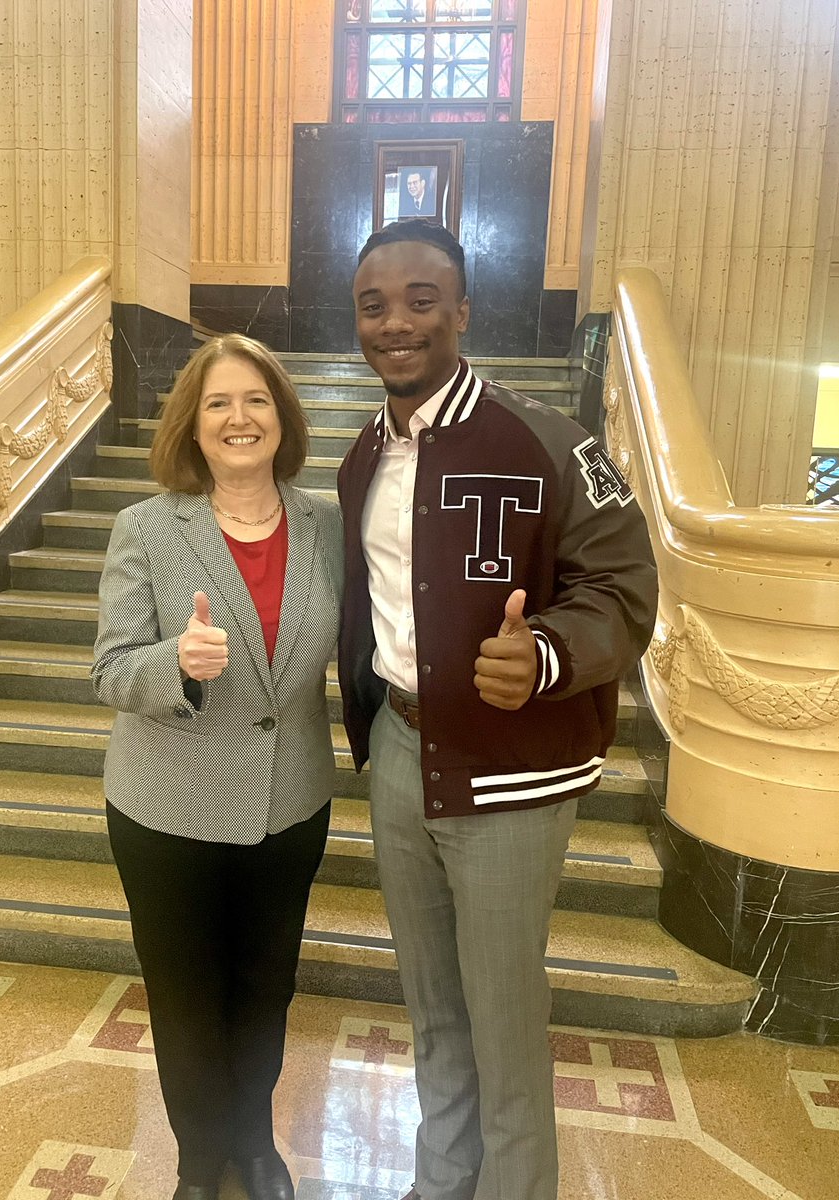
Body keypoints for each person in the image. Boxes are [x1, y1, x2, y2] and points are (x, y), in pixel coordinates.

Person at [337, 222, 657, 1200]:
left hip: (511, 773)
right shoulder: (361, 457)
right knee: (432, 1011)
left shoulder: (547, 439)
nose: (395, 324)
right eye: (373, 304)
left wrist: (549, 654)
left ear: (462, 312)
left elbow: (624, 590)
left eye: (420, 300)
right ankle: (441, 1184)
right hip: (398, 751)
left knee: (503, 1020)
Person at [92, 334, 343, 1200]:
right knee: (187, 1000)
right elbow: (109, 670)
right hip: (168, 813)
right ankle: (201, 1160)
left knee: (266, 988)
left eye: (257, 400)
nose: (240, 418)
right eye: (218, 404)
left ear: (282, 416)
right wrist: (175, 663)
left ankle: (256, 1142)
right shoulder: (147, 528)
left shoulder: (327, 525)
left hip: (290, 803)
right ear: (192, 428)